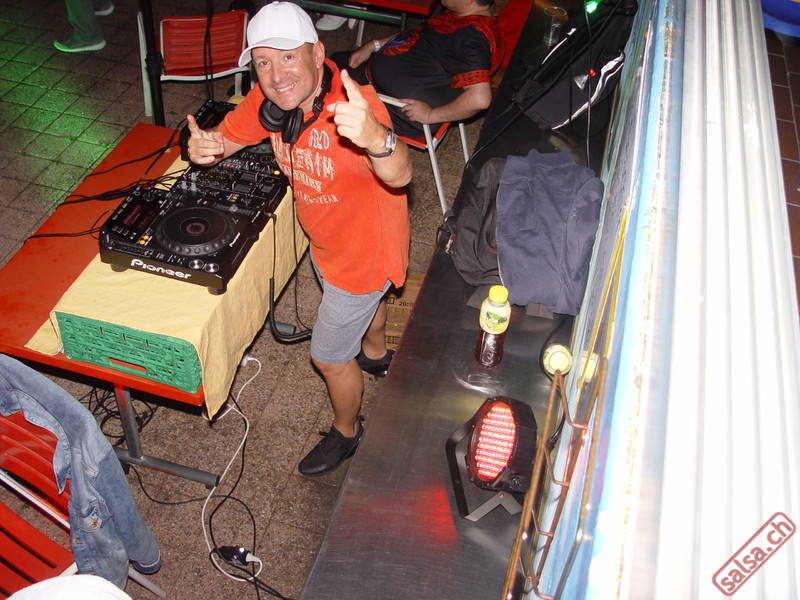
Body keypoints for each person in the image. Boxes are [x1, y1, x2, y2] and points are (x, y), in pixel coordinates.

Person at [185, 2, 412, 477]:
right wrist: (206, 148)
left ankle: (347, 432)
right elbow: (226, 139)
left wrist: (378, 139)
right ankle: (375, 355)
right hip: (329, 240)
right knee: (366, 308)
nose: (276, 75)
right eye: (263, 62)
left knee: (328, 357)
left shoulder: (355, 109)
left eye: (288, 57)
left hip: (364, 255)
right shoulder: (271, 103)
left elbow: (400, 174)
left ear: (318, 54)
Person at [335, 0, 501, 137]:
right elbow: (417, 34)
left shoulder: (470, 38)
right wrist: (374, 45)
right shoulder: (461, 16)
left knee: (329, 77)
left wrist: (430, 115)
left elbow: (480, 98)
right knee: (337, 59)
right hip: (379, 76)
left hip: (395, 107)